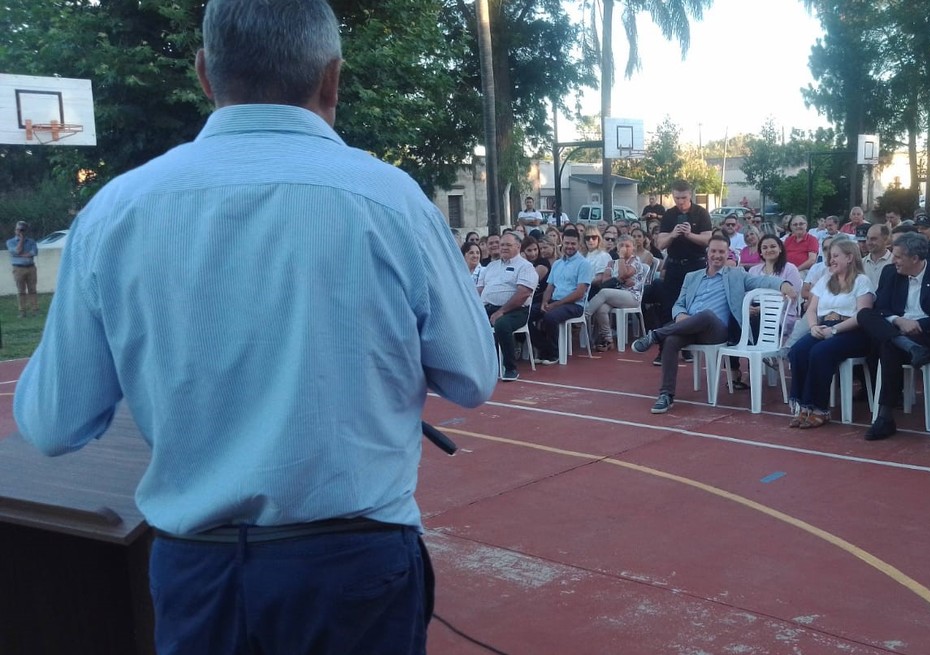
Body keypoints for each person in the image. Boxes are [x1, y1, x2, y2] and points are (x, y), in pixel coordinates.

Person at [15, 1, 498, 650]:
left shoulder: (116, 212)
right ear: (332, 78)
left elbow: (51, 422)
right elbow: (473, 377)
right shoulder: (393, 201)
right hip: (355, 568)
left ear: (205, 74)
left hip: (200, 569)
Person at [632, 235, 798, 414]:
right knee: (671, 340)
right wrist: (680, 315)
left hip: (716, 330)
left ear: (728, 254)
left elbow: (763, 281)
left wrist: (784, 284)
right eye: (713, 251)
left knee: (706, 315)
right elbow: (679, 304)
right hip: (688, 325)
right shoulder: (691, 277)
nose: (717, 255)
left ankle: (655, 335)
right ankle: (666, 395)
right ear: (707, 253)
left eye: (721, 252)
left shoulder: (737, 275)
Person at [858, 232, 930, 440]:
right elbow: (881, 308)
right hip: (898, 330)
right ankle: (908, 347)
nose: (893, 261)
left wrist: (916, 324)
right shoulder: (890, 273)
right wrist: (899, 321)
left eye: (898, 257)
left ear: (915, 258)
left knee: (888, 344)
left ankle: (885, 416)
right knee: (865, 315)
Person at [786, 237, 875, 428]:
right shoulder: (826, 280)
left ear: (850, 257)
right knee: (798, 351)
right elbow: (811, 309)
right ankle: (803, 406)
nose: (830, 260)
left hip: (852, 331)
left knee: (820, 352)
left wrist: (834, 330)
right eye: (829, 256)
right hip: (824, 326)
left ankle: (819, 409)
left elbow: (862, 315)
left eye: (835, 256)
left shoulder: (862, 281)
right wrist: (813, 327)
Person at [654, 179, 713, 365]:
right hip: (674, 266)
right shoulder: (669, 215)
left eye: (684, 197)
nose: (680, 201)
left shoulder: (701, 213)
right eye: (677, 198)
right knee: (668, 307)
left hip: (695, 266)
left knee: (692, 308)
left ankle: (688, 347)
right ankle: (663, 349)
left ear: (691, 195)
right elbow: (660, 243)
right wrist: (673, 234)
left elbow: (707, 239)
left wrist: (689, 235)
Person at [481, 231, 539, 381]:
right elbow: (479, 290)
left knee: (501, 325)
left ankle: (510, 368)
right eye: (501, 245)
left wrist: (502, 311)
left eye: (508, 245)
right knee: (464, 322)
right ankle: (479, 366)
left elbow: (523, 294)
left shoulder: (525, 267)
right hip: (488, 307)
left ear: (518, 246)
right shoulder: (491, 266)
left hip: (515, 311)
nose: (503, 248)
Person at [535, 229, 592, 364]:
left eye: (573, 243)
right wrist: (544, 302)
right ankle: (544, 347)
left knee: (550, 316)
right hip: (555, 302)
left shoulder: (584, 264)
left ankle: (553, 354)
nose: (570, 246)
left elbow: (579, 293)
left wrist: (555, 305)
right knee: (527, 313)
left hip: (575, 305)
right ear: (562, 243)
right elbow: (550, 287)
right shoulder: (557, 264)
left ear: (579, 245)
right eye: (567, 243)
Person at [586, 235, 650, 351]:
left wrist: (621, 259)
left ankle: (585, 315)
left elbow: (623, 274)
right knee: (602, 309)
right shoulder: (611, 263)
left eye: (627, 246)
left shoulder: (635, 261)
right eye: (621, 245)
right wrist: (621, 281)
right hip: (615, 294)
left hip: (632, 296)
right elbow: (605, 281)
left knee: (604, 293)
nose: (624, 248)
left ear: (633, 248)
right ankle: (608, 339)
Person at [749, 234, 803, 337]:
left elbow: (791, 297)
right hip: (756, 310)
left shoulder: (790, 269)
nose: (769, 250)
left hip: (781, 313)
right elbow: (747, 294)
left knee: (759, 319)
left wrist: (763, 309)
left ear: (780, 249)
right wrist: (749, 308)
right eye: (764, 248)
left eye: (773, 246)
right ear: (760, 252)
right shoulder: (753, 270)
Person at [8, 221, 39, 316]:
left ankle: (35, 310)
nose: (19, 231)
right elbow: (17, 251)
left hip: (31, 268)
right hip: (18, 269)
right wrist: (21, 240)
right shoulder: (10, 242)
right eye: (18, 229)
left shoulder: (31, 241)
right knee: (21, 291)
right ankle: (22, 311)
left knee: (32, 290)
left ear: (25, 230)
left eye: (22, 229)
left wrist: (23, 255)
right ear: (15, 230)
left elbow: (34, 252)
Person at [860, 223, 894, 288]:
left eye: (873, 239)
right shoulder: (861, 263)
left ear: (885, 240)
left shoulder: (894, 262)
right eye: (867, 238)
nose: (868, 242)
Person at [583, 226, 613, 293]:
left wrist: (583, 284)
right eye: (587, 238)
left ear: (598, 239)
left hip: (596, 290)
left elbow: (599, 278)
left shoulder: (603, 255)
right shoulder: (585, 255)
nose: (591, 240)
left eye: (594, 237)